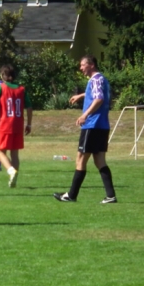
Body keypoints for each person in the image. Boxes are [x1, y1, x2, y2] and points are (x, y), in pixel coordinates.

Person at [53, 54, 117, 204]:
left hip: (92, 125)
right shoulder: (102, 78)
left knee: (80, 159)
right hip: (102, 126)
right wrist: (82, 95)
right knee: (100, 161)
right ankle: (111, 196)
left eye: (83, 65)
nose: (80, 68)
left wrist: (85, 115)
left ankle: (71, 195)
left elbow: (99, 98)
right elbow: (98, 94)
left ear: (91, 65)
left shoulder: (95, 80)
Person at [0, 64, 32, 188]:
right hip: (18, 125)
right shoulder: (22, 89)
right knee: (14, 153)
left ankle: (11, 171)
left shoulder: (0, 87)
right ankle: (13, 181)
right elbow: (29, 107)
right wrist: (29, 124)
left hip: (5, 124)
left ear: (3, 75)